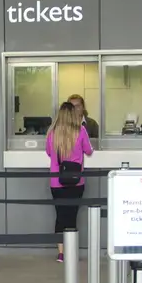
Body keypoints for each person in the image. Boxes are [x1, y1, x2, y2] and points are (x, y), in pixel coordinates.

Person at [46, 101, 93, 261]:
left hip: (56, 182)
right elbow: (89, 150)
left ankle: (61, 253)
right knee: (72, 216)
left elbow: (48, 152)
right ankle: (71, 252)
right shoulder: (81, 131)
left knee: (60, 215)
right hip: (76, 181)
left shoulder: (52, 133)